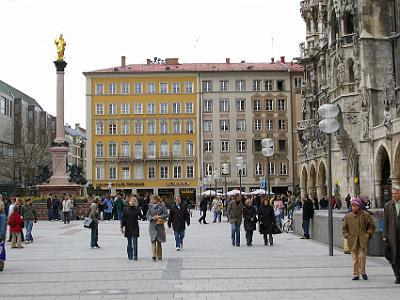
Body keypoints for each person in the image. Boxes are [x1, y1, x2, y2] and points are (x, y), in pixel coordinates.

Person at [342, 197, 376, 281]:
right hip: (352, 239)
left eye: (355, 205)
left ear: (359, 206)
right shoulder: (348, 216)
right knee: (354, 258)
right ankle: (356, 274)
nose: (354, 207)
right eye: (352, 205)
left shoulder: (365, 215)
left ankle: (363, 272)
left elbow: (371, 226)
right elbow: (344, 228)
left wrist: (368, 234)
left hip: (362, 239)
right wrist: (347, 235)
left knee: (362, 256)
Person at [383, 187, 400, 284]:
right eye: (393, 193)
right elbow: (385, 222)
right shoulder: (388, 205)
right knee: (393, 256)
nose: (394, 195)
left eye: (396, 193)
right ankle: (397, 276)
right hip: (392, 236)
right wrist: (385, 237)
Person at [120, 195, 143, 260]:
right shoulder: (125, 209)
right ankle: (130, 255)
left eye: (134, 201)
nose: (132, 202)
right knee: (129, 242)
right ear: (129, 202)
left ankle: (135, 256)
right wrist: (121, 227)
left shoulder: (137, 209)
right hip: (128, 227)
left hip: (135, 227)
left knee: (135, 242)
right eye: (131, 201)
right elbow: (123, 218)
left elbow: (142, 216)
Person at [147, 195, 168, 261]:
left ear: (156, 199)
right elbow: (147, 215)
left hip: (159, 225)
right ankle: (154, 255)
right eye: (151, 199)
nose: (151, 200)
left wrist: (159, 217)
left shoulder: (162, 205)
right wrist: (151, 218)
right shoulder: (150, 206)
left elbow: (166, 214)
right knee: (153, 240)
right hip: (152, 225)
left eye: (152, 199)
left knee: (159, 241)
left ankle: (159, 255)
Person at [0, 200, 7, 271]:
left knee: (1, 251)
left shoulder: (2, 215)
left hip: (0, 236)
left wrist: (1, 237)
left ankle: (1, 266)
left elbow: (2, 227)